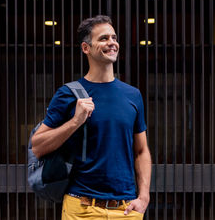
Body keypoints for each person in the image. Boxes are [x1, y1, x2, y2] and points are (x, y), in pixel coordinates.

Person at [31, 15, 151, 219]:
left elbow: (141, 151)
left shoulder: (132, 95)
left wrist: (144, 197)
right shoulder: (68, 94)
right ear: (86, 48)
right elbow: (38, 146)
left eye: (114, 37)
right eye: (103, 38)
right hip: (82, 208)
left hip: (127, 209)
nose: (112, 43)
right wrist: (75, 121)